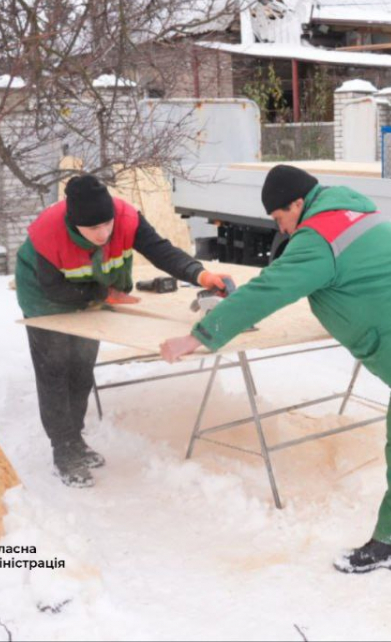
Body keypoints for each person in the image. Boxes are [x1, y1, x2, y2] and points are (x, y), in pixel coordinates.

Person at [159, 165, 391, 593]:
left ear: (297, 203)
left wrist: (199, 335)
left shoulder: (319, 235)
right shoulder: (348, 215)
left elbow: (268, 289)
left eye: (279, 218)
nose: (281, 227)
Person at [16, 174, 230, 488]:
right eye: (93, 229)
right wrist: (102, 295)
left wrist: (200, 275)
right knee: (55, 371)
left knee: (82, 366)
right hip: (46, 300)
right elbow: (54, 289)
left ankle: (75, 439)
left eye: (107, 225)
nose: (103, 234)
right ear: (75, 224)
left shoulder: (126, 218)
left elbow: (161, 251)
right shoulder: (48, 233)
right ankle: (63, 449)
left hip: (95, 294)